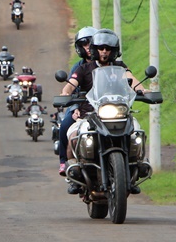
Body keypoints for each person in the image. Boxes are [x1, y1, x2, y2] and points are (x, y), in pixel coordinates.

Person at [59, 29, 141, 194]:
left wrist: (142, 90)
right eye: (101, 48)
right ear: (95, 49)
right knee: (73, 136)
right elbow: (71, 85)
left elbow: (133, 80)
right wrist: (65, 94)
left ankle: (135, 167)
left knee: (137, 134)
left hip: (119, 114)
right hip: (89, 115)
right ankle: (74, 172)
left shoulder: (120, 67)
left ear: (114, 51)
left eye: (108, 48)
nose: (104, 51)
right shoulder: (83, 68)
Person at [57, 26, 97, 176]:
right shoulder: (78, 67)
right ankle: (64, 161)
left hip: (104, 106)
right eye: (83, 44)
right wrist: (74, 107)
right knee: (65, 125)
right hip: (80, 105)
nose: (87, 47)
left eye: (90, 43)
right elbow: (70, 88)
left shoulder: (109, 65)